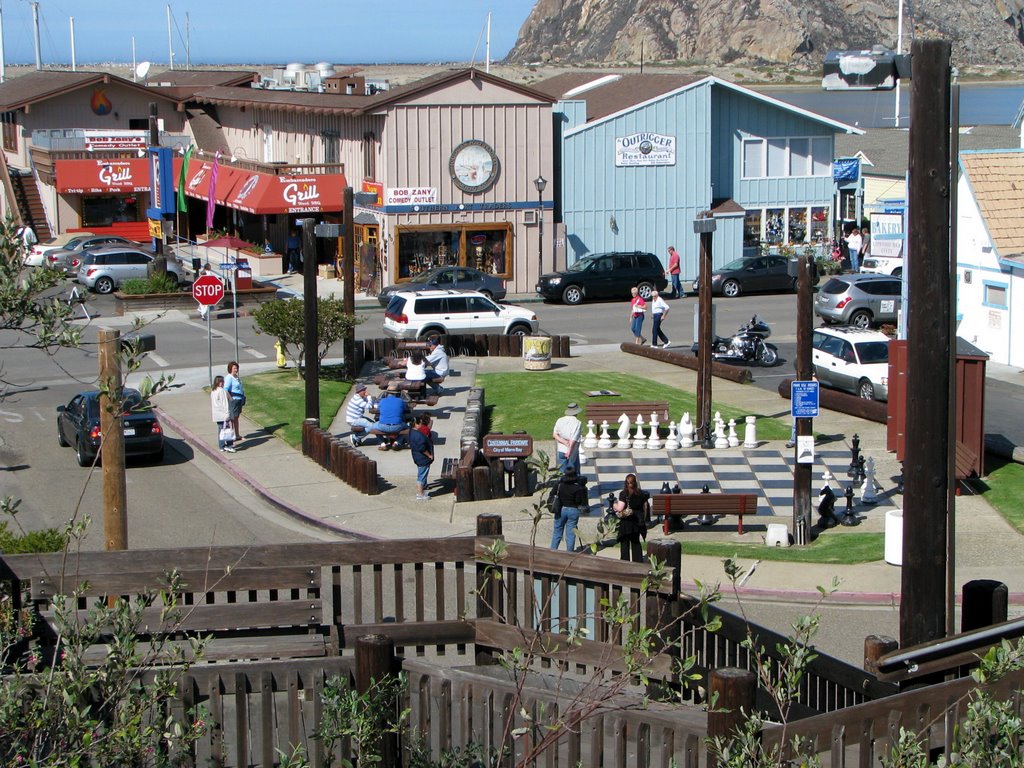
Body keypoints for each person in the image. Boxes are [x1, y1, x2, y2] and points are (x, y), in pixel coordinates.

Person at [550, 467, 588, 552]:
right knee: (571, 534)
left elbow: (552, 494)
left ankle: (552, 551)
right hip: (573, 510)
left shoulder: (559, 485)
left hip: (560, 509)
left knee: (557, 532)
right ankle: (569, 553)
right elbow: (580, 501)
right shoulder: (578, 487)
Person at [615, 473, 649, 563]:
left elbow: (620, 508)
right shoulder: (641, 493)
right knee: (636, 543)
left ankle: (624, 563)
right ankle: (637, 562)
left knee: (624, 544)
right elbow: (645, 507)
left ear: (626, 483)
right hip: (637, 522)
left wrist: (614, 505)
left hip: (626, 523)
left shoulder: (623, 494)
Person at [372, 385, 409, 450]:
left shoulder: (382, 401)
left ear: (387, 393)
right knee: (408, 428)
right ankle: (397, 442)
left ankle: (382, 443)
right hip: (397, 426)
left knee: (372, 427)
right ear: (397, 393)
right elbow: (405, 408)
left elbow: (378, 408)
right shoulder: (400, 401)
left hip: (383, 426)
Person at [409, 412, 435, 500]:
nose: (421, 424)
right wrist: (429, 455)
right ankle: (420, 494)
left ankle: (422, 491)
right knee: (422, 476)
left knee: (421, 474)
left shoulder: (411, 432)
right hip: (422, 458)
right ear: (416, 424)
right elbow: (422, 448)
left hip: (417, 457)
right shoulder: (418, 435)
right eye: (419, 423)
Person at [552, 402, 582, 474]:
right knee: (573, 473)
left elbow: (555, 435)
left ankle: (561, 485)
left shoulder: (560, 420)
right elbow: (573, 438)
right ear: (576, 412)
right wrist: (569, 450)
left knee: (562, 472)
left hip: (561, 450)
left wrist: (564, 442)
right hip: (572, 451)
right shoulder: (577, 422)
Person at [210, 375, 235, 453]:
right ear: (220, 382)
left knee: (221, 430)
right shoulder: (222, 391)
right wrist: (227, 414)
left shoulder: (213, 391)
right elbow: (225, 403)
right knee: (228, 430)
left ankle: (221, 446)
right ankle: (229, 445)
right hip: (223, 415)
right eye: (222, 381)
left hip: (217, 415)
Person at [224, 361, 245, 446]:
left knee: (236, 418)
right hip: (234, 401)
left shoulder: (236, 377)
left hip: (239, 400)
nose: (236, 370)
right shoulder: (229, 378)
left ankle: (237, 435)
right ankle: (231, 438)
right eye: (234, 368)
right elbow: (226, 389)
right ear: (230, 369)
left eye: (236, 368)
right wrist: (231, 399)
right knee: (232, 420)